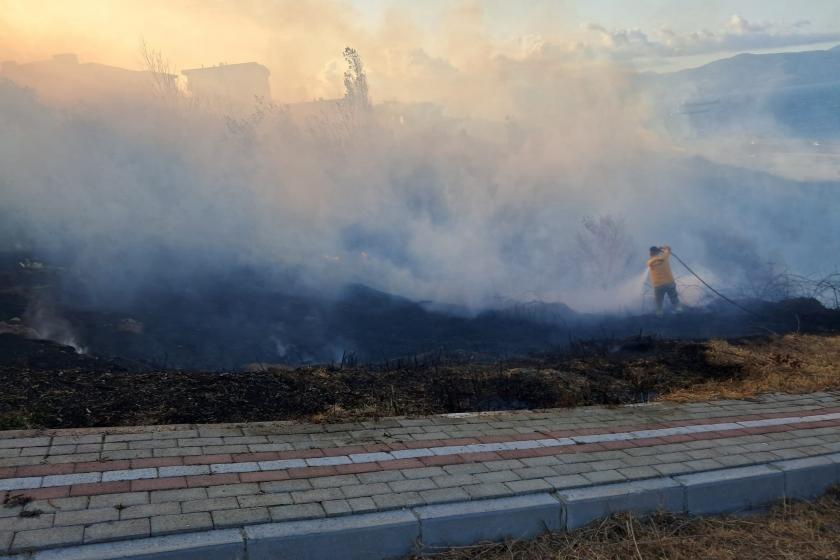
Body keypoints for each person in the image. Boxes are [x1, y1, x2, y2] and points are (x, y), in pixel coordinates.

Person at [647, 245, 682, 316]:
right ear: (657, 252)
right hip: (669, 283)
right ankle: (679, 310)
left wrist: (657, 251)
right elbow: (668, 248)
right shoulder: (664, 257)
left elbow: (653, 258)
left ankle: (659, 314)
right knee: (674, 298)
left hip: (658, 285)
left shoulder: (649, 262)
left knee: (658, 302)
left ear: (651, 253)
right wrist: (662, 248)